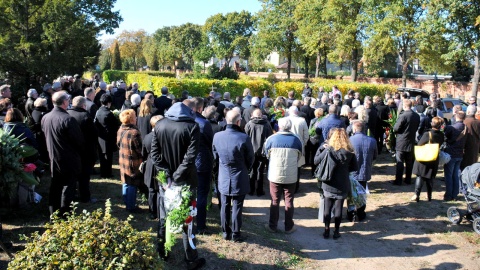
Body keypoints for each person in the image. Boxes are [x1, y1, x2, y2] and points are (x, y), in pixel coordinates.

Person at [150, 100, 205, 268]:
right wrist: (176, 176)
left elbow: (155, 154)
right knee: (188, 220)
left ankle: (162, 252)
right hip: (185, 180)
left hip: (166, 181)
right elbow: (190, 156)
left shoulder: (160, 124)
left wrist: (167, 175)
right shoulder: (192, 126)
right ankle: (191, 258)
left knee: (164, 216)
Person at [213, 110, 254, 242]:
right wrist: (245, 168)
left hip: (224, 176)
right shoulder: (244, 138)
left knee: (224, 204)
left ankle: (225, 232)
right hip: (239, 175)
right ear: (238, 121)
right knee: (237, 206)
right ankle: (236, 234)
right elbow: (250, 159)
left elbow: (214, 156)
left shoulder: (217, 136)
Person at [42, 91, 84, 218]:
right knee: (68, 187)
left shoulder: (46, 117)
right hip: (68, 158)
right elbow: (79, 141)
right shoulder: (68, 119)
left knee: (55, 186)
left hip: (53, 157)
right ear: (65, 102)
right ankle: (65, 215)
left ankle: (53, 212)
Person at [314, 128, 357, 239]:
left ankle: (326, 229)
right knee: (339, 209)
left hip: (329, 182)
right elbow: (354, 168)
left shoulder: (329, 150)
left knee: (327, 208)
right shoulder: (350, 151)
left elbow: (316, 161)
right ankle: (336, 231)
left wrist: (320, 150)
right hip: (343, 183)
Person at [263, 117, 302, 233]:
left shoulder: (271, 139)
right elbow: (299, 156)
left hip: (275, 175)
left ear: (279, 126)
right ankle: (289, 227)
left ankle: (272, 225)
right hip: (291, 175)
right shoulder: (297, 140)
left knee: (274, 200)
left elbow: (267, 155)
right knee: (289, 200)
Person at [67, 97, 98, 203]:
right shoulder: (85, 116)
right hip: (85, 150)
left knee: (72, 176)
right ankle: (85, 197)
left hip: (70, 150)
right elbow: (93, 134)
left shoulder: (66, 114)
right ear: (83, 105)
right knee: (84, 175)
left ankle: (73, 194)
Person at [192, 97, 214, 234]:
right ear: (200, 108)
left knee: (190, 192)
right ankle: (200, 225)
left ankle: (188, 220)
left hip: (188, 162)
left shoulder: (186, 120)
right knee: (201, 194)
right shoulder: (204, 124)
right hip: (202, 162)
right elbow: (211, 142)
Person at [410, 117, 445, 202]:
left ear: (432, 124)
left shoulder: (427, 134)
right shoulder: (441, 135)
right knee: (430, 177)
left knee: (420, 176)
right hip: (434, 157)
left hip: (424, 157)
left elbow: (419, 144)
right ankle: (429, 196)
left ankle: (416, 195)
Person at [349, 120, 377, 221]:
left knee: (351, 192)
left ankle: (351, 213)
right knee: (362, 192)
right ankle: (361, 212)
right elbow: (375, 156)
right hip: (364, 170)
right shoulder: (372, 141)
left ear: (355, 129)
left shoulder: (350, 140)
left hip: (352, 171)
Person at [117, 109, 143, 212]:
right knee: (132, 184)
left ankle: (126, 201)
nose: (136, 118)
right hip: (133, 162)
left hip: (123, 160)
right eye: (135, 116)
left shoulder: (120, 129)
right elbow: (140, 150)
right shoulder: (134, 133)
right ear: (131, 120)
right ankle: (131, 206)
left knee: (125, 181)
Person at [245, 108, 273, 196]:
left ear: (253, 115)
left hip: (251, 151)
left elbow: (245, 138)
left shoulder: (249, 124)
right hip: (262, 152)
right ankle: (259, 191)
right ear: (261, 115)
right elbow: (270, 138)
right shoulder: (267, 125)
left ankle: (250, 190)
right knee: (260, 171)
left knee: (252, 170)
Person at [392, 99, 420, 185]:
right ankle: (408, 179)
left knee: (400, 161)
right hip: (411, 140)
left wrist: (395, 131)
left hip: (401, 140)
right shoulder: (416, 115)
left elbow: (396, 128)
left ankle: (398, 180)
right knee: (409, 161)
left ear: (404, 106)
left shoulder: (403, 115)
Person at [142, 115, 164, 219]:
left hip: (150, 163)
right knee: (160, 190)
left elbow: (144, 152)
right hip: (161, 164)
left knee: (151, 190)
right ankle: (161, 211)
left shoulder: (147, 136)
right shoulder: (164, 136)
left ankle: (152, 211)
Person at [94, 94, 120, 178]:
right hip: (108, 138)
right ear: (109, 103)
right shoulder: (109, 113)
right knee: (108, 157)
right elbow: (114, 126)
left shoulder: (98, 111)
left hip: (100, 137)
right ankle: (107, 173)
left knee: (102, 156)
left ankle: (103, 172)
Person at [443, 112, 467, 201]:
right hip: (460, 153)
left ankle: (448, 195)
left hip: (451, 154)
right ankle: (455, 194)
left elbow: (445, 137)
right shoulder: (465, 127)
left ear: (456, 116)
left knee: (449, 175)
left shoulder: (451, 128)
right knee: (456, 175)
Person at [286, 106, 309, 192]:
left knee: (288, 166)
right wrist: (303, 143)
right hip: (299, 146)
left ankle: (288, 186)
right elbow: (306, 135)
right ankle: (296, 187)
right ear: (297, 112)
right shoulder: (302, 121)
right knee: (297, 167)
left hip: (287, 145)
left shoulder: (284, 120)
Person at [460, 105, 480, 170]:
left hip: (465, 146)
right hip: (475, 146)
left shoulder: (464, 121)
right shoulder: (478, 122)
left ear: (468, 111)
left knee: (465, 166)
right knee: (473, 165)